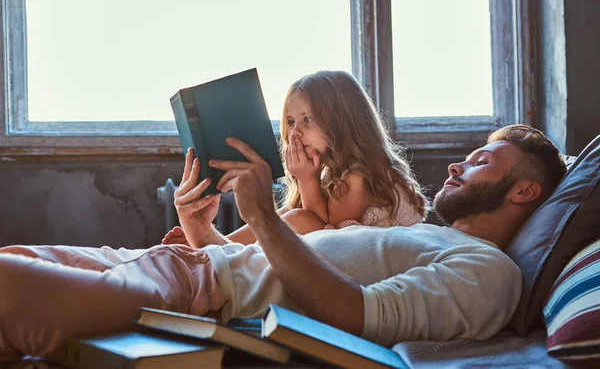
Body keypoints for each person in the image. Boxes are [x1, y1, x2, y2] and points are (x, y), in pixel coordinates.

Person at [0, 125, 566, 360]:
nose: (455, 167)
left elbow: (360, 318)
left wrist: (266, 220)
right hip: (180, 264)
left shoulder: (490, 271)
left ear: (524, 191)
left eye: (480, 161)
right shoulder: (423, 235)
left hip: (193, 296)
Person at [162, 71, 428, 246]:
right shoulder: (334, 176)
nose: (296, 131)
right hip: (335, 247)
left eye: (307, 119)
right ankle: (221, 247)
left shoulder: (359, 176)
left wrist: (307, 178)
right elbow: (292, 219)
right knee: (287, 214)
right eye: (291, 121)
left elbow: (324, 232)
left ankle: (223, 252)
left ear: (343, 121)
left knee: (298, 218)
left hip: (365, 263)